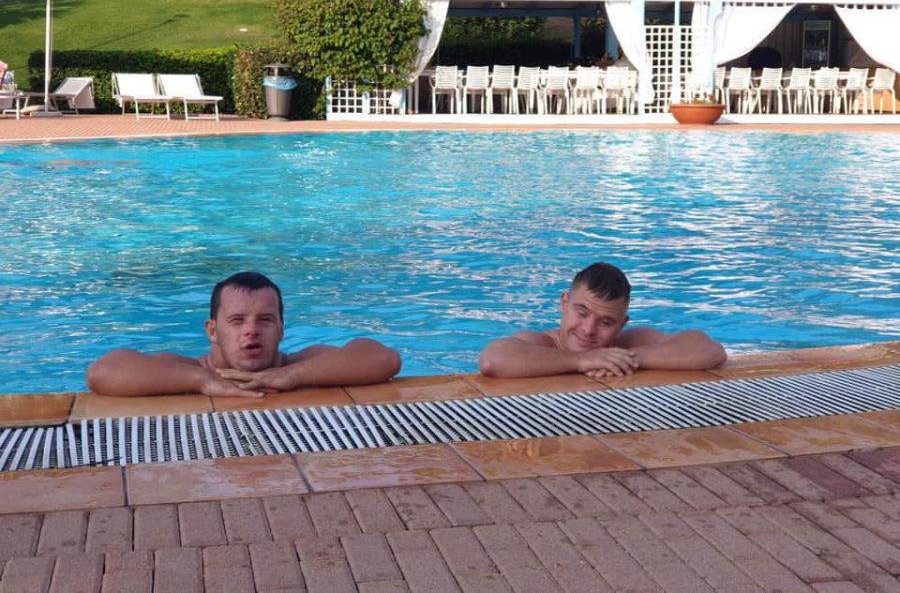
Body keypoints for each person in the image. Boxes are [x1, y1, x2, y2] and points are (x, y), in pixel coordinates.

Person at [87, 271, 401, 397]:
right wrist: (202, 381)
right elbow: (103, 371)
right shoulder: (187, 370)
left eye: (265, 320)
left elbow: (382, 358)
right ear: (213, 331)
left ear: (281, 328)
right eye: (237, 321)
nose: (251, 330)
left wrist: (292, 375)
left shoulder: (300, 365)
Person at [479, 262, 726, 380]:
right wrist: (582, 360)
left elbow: (710, 350)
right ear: (564, 304)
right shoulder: (542, 343)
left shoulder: (628, 343)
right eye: (581, 313)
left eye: (606, 322)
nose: (589, 330)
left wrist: (628, 358)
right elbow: (492, 361)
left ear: (621, 324)